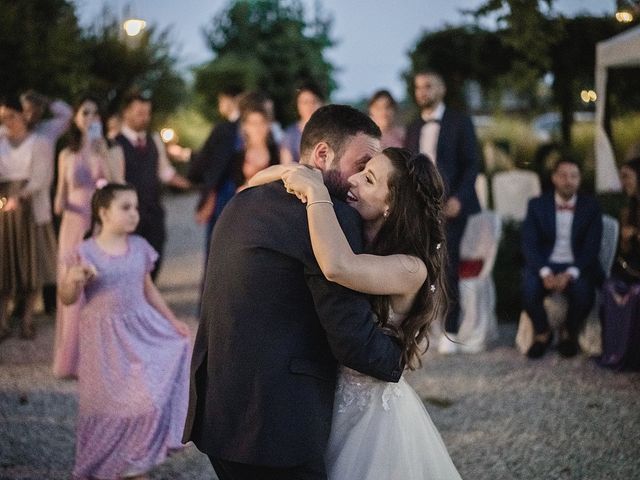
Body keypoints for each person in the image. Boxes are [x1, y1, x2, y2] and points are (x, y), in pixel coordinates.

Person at [183, 105, 405, 480]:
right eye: (362, 164)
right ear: (322, 154)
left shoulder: (245, 198)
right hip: (277, 428)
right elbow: (352, 339)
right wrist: (402, 356)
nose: (359, 180)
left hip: (220, 414)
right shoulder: (330, 219)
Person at [250, 147, 462, 479]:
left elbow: (337, 266)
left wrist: (316, 190)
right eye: (361, 171)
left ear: (392, 204)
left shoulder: (410, 269)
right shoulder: (359, 238)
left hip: (373, 418)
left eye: (369, 179)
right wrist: (297, 172)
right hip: (328, 396)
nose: (352, 179)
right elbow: (253, 182)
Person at [58, 183, 190, 479]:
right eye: (125, 208)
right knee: (106, 403)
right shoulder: (83, 252)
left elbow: (148, 289)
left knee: (146, 396)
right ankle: (106, 463)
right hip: (103, 341)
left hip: (141, 330)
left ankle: (136, 460)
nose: (134, 214)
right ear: (103, 212)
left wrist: (171, 321)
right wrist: (73, 281)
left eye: (135, 208)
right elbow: (66, 299)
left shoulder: (140, 247)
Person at [405, 70, 481, 353]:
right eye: (418, 87)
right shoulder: (413, 127)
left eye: (428, 86)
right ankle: (422, 327)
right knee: (419, 265)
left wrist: (459, 198)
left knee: (447, 265)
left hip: (454, 207)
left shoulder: (460, 122)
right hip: (422, 209)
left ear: (442, 89)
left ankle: (450, 329)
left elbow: (473, 164)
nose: (422, 92)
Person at [51, 96, 124, 378]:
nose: (90, 117)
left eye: (95, 113)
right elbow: (60, 195)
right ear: (77, 118)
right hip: (72, 224)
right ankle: (71, 360)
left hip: (99, 224)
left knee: (101, 290)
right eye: (85, 112)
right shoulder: (66, 154)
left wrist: (103, 153)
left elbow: (119, 186)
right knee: (72, 287)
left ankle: (99, 360)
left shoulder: (111, 150)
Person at [522, 158, 603, 359]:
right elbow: (529, 244)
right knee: (528, 288)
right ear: (554, 178)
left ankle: (568, 332)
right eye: (564, 175)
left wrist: (570, 273)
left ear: (579, 179)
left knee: (584, 292)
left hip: (577, 264)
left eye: (574, 176)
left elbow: (591, 248)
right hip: (546, 263)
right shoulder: (537, 205)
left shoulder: (591, 207)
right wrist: (545, 273)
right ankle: (542, 333)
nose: (569, 181)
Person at [114, 92, 190, 280]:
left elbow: (164, 172)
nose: (145, 118)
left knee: (155, 255)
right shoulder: (114, 144)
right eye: (140, 113)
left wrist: (190, 183)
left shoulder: (155, 140)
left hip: (153, 211)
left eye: (147, 113)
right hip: (128, 213)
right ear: (126, 113)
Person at [0, 96, 56, 341]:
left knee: (30, 263)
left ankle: (27, 319)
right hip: (4, 204)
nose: (7, 122)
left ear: (21, 115)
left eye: (10, 116)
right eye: (2, 118)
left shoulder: (39, 142)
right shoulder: (1, 141)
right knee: (5, 263)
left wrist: (20, 195)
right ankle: (2, 319)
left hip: (29, 207)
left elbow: (42, 177)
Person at [187, 85, 243, 253]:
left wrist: (206, 192)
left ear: (231, 101)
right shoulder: (247, 127)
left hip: (225, 190)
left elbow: (213, 163)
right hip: (243, 188)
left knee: (218, 242)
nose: (221, 105)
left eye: (222, 101)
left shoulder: (225, 129)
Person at [599, 157, 640, 370]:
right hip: (632, 268)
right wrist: (625, 239)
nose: (623, 182)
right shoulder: (628, 209)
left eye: (627, 177)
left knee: (635, 294)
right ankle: (616, 352)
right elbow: (624, 253)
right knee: (611, 287)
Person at [280, 82, 325, 164]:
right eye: (305, 102)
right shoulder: (290, 134)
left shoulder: (330, 132)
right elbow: (286, 166)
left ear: (321, 103)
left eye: (313, 102)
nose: (309, 106)